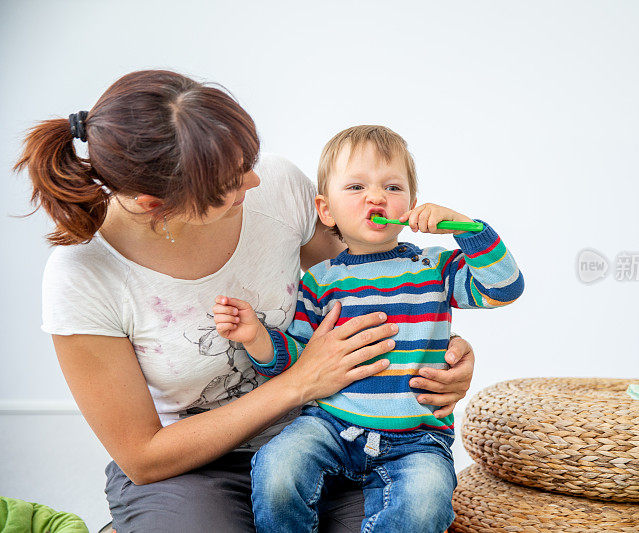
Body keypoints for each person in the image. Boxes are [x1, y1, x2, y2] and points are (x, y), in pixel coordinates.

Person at [13, 70, 477, 533]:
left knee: (413, 516)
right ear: (155, 204)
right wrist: (299, 382)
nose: (254, 181)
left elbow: (371, 287)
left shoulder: (277, 186)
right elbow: (143, 458)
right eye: (231, 185)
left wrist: (443, 351)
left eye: (247, 161)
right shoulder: (82, 277)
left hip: (330, 435)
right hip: (191, 467)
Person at [213, 125, 524, 532]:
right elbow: (298, 360)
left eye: (392, 187)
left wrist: (467, 229)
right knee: (277, 466)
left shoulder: (434, 268)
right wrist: (256, 336)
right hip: (330, 425)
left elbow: (503, 288)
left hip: (416, 437)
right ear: (326, 211)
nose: (376, 197)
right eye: (356, 186)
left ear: (412, 205)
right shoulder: (319, 280)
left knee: (427, 503)